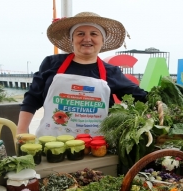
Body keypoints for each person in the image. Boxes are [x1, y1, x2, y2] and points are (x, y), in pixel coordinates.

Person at [18, 12, 147, 136]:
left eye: (94, 34)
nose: (87, 38)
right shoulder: (51, 63)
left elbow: (139, 96)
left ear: (102, 41)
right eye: (80, 34)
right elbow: (32, 99)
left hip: (97, 147)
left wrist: (159, 103)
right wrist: (21, 133)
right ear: (72, 40)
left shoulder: (112, 72)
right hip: (51, 144)